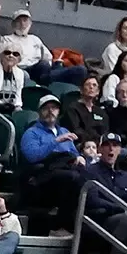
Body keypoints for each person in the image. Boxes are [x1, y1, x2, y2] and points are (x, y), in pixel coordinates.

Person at [17, 96, 86, 235]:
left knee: (86, 176)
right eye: (46, 108)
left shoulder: (65, 131)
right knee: (72, 178)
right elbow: (32, 156)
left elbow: (73, 152)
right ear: (39, 112)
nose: (50, 111)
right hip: (42, 175)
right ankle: (62, 225)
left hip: (66, 170)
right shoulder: (32, 133)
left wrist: (80, 157)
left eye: (54, 108)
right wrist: (56, 141)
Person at [4, 7, 86, 87]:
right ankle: (48, 82)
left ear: (30, 23)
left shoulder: (35, 39)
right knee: (43, 65)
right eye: (19, 21)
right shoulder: (7, 39)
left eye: (25, 21)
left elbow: (48, 58)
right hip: (23, 71)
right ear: (13, 24)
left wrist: (57, 64)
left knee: (80, 70)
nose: (22, 24)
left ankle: (50, 81)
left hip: (43, 72)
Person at [63, 74, 110, 146]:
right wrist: (92, 141)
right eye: (88, 84)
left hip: (100, 145)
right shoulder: (73, 108)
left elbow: (105, 131)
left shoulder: (101, 112)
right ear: (81, 90)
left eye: (94, 85)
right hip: (81, 144)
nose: (91, 87)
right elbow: (76, 130)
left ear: (98, 91)